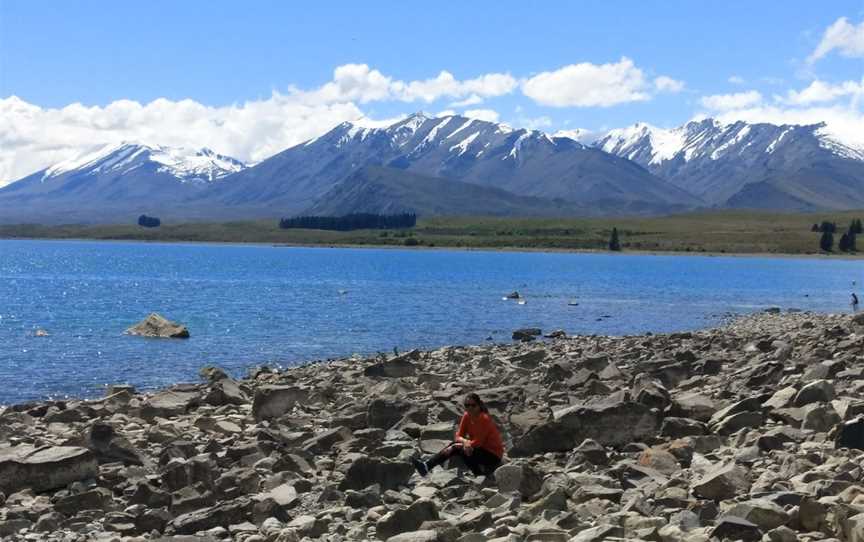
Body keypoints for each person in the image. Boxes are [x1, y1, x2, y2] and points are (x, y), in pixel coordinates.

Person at [412, 392, 504, 477]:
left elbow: (478, 442)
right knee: (457, 446)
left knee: (459, 448)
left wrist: (461, 445)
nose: (470, 408)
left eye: (473, 405)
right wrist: (464, 442)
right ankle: (426, 466)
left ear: (479, 405)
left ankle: (478, 474)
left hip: (493, 455)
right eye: (467, 405)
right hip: (478, 449)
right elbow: (458, 436)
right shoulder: (467, 416)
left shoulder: (484, 419)